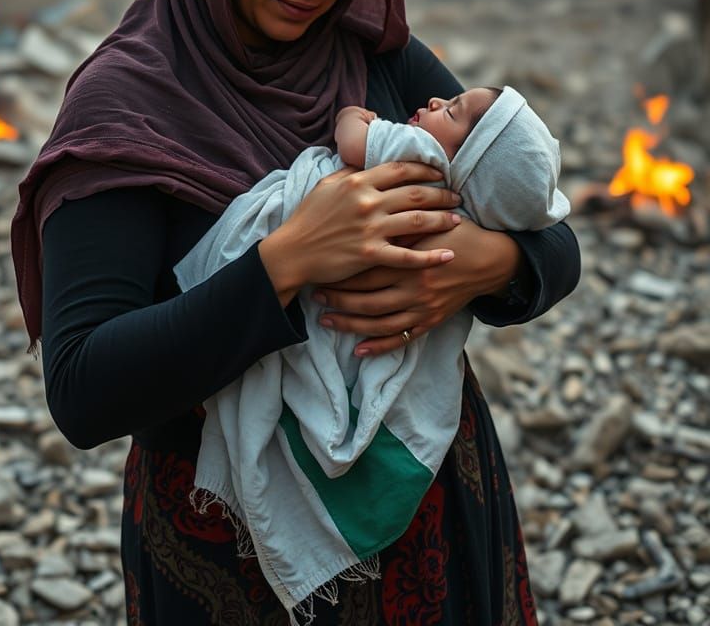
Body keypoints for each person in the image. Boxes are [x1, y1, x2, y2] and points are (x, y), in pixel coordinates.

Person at [11, 0, 580, 626]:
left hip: (427, 507)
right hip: (229, 551)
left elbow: (551, 235)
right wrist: (287, 261)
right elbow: (85, 387)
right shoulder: (127, 109)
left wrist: (482, 264)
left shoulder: (375, 58)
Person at [173, 86, 570, 619]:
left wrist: (349, 115)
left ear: (469, 162)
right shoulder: (466, 193)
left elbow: (353, 141)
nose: (435, 100)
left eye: (453, 111)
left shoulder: (420, 153)